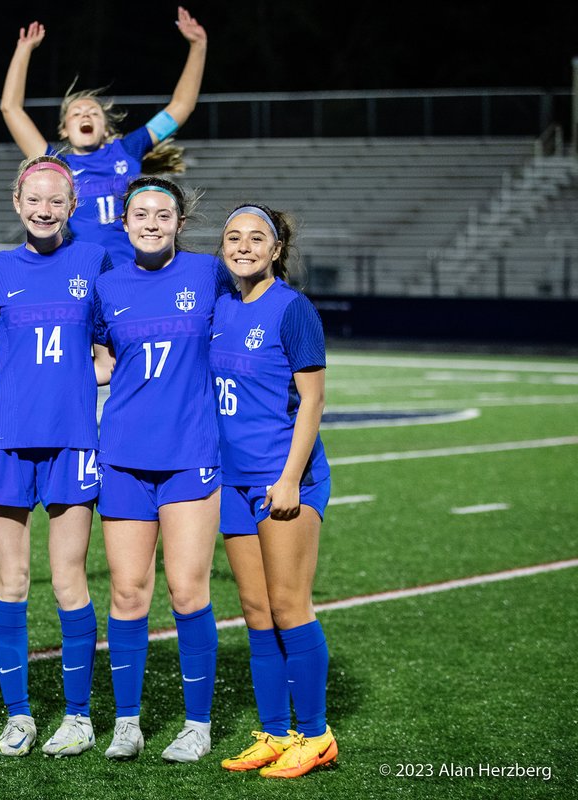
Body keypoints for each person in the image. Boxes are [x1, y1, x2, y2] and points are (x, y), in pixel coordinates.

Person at [91, 177, 232, 763]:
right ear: (124, 223)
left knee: (188, 591)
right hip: (123, 454)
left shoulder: (208, 274)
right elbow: (101, 360)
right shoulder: (106, 285)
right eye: (141, 214)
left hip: (190, 456)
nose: (152, 223)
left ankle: (196, 724)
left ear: (179, 223)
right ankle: (128, 722)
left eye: (163, 214)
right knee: (127, 592)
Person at [0, 155, 111, 758]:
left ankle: (79, 716)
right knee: (10, 582)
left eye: (55, 200)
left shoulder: (94, 260)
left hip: (72, 441)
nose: (43, 209)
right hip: (5, 440)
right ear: (16, 201)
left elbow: (119, 342)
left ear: (72, 207)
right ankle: (19, 715)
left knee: (68, 580)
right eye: (34, 198)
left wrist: (94, 381)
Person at [210, 204, 337, 778]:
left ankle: (316, 734)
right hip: (233, 481)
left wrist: (289, 478)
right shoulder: (221, 306)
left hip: (285, 479)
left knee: (289, 606)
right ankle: (276, 731)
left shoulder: (293, 308)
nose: (243, 246)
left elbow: (312, 401)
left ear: (276, 249)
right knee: (257, 612)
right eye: (233, 237)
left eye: (255, 238)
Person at [0, 6, 208, 266]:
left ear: (107, 129)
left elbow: (181, 106)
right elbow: (10, 109)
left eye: (93, 113)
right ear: (64, 129)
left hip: (133, 270)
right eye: (76, 114)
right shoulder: (57, 164)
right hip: (83, 275)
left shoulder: (127, 150)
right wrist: (24, 50)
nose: (85, 116)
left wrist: (198, 46)